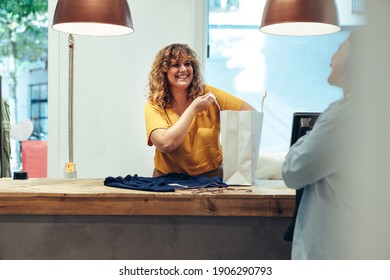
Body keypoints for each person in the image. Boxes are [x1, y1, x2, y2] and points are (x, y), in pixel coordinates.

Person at [281, 32, 361, 259]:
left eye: (339, 49)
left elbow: (293, 171)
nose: (332, 56)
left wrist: (309, 135)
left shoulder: (342, 117)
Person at [144, 43, 255, 178]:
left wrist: (232, 153)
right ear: (164, 71)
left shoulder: (210, 95)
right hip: (166, 181)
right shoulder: (154, 105)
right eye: (176, 65)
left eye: (187, 63)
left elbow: (251, 114)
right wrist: (194, 108)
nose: (183, 69)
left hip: (210, 179)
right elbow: (166, 144)